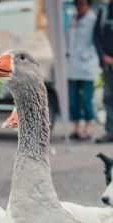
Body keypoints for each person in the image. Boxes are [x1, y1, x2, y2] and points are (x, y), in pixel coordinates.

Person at [67, 0, 99, 141]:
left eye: (82, 4)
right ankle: (76, 128)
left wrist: (87, 55)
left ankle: (87, 129)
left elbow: (97, 41)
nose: (80, 7)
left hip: (88, 64)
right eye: (78, 4)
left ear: (88, 5)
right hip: (72, 64)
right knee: (73, 99)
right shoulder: (72, 18)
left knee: (86, 99)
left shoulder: (93, 19)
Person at [94, 0, 113, 143]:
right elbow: (96, 36)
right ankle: (110, 131)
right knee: (107, 97)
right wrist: (103, 56)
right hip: (107, 64)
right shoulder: (104, 11)